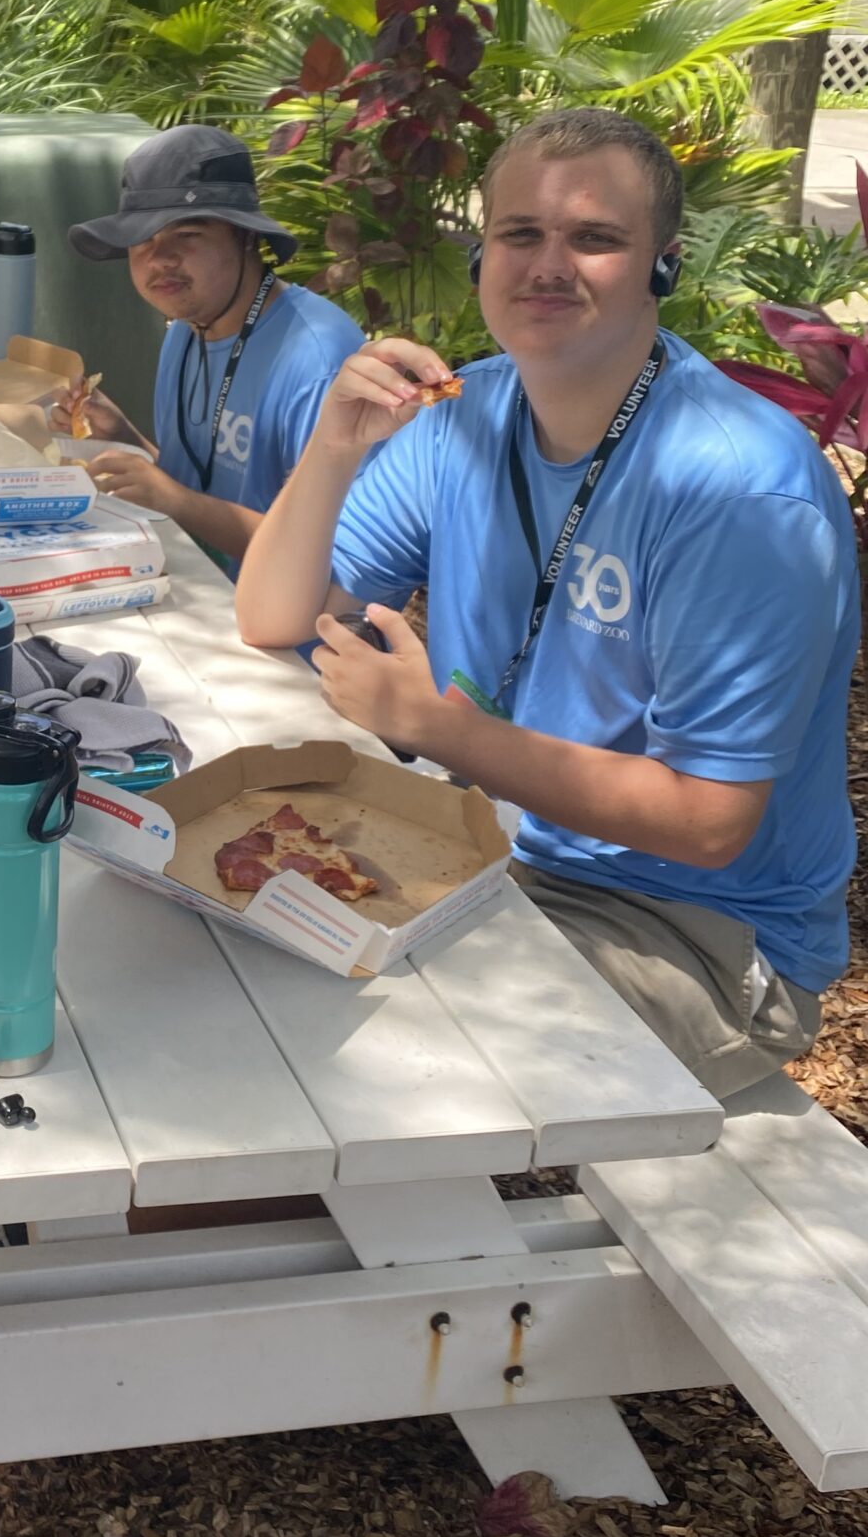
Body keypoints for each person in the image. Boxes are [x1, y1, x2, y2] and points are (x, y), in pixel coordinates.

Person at [237, 107, 858, 1099]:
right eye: (520, 233)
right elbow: (274, 616)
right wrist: (336, 442)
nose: (548, 263)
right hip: (500, 855)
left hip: (692, 934)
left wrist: (438, 730)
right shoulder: (468, 413)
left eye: (595, 238)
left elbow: (707, 822)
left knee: (323, 1055)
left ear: (665, 264)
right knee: (234, 951)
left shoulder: (736, 488)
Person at [59, 125, 363, 572]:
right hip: (186, 582)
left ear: (243, 236)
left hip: (277, 632)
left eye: (186, 234)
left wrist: (175, 499)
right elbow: (200, 489)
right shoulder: (186, 328)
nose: (159, 258)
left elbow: (335, 560)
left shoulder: (318, 358)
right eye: (141, 238)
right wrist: (123, 437)